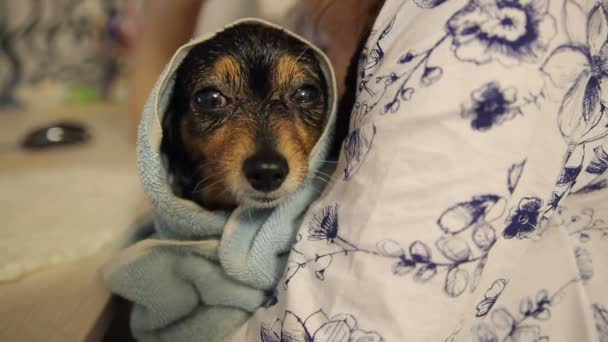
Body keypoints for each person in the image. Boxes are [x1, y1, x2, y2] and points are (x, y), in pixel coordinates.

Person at [131, 0, 608, 341]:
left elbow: (360, 325)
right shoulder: (308, 23)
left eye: (303, 97)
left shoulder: (476, 26)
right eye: (214, 101)